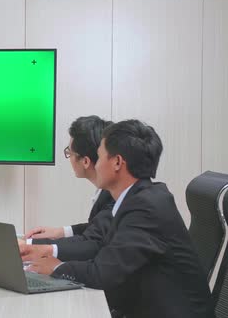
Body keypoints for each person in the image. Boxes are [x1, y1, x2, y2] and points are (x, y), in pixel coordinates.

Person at [24, 120, 213, 318]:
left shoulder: (146, 208)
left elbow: (103, 272)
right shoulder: (138, 198)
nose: (95, 164)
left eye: (99, 156)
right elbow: (104, 250)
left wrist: (56, 267)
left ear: (117, 163)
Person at [19, 116, 114, 261]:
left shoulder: (114, 195)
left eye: (69, 153)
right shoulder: (106, 192)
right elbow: (96, 228)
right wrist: (61, 231)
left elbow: (92, 242)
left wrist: (30, 246)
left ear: (86, 161)